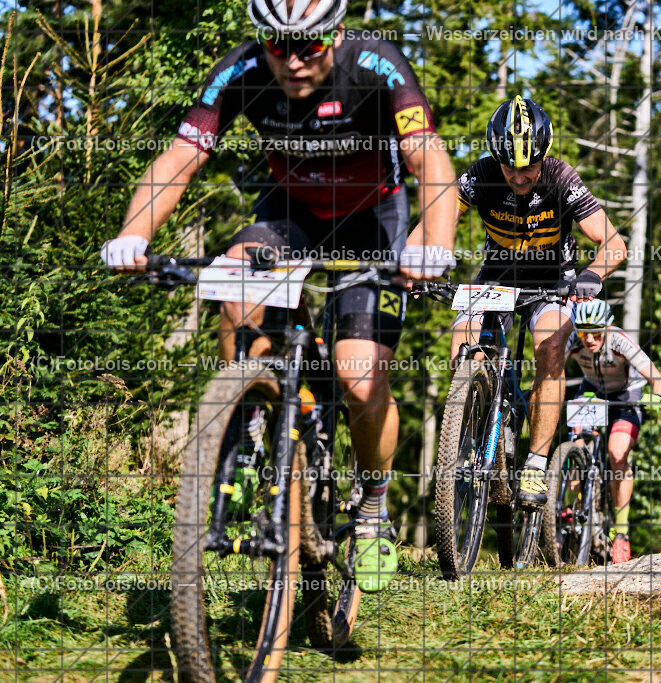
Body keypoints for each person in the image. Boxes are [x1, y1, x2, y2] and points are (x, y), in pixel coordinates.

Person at [100, 0, 459, 593]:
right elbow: (182, 157)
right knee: (235, 281)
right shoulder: (241, 68)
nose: (292, 61)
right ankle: (249, 418)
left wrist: (435, 245)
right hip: (291, 212)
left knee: (359, 378)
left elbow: (429, 157)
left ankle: (372, 507)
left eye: (308, 46)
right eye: (277, 45)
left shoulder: (375, 63)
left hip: (373, 219)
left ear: (334, 36)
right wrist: (134, 234)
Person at [451, 95, 627, 509]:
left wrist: (592, 275)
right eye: (509, 166)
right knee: (463, 341)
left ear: (543, 154)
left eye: (528, 166)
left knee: (549, 345)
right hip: (497, 277)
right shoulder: (480, 175)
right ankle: (471, 436)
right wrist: (412, 261)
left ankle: (534, 462)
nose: (518, 176)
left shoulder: (562, 178)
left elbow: (613, 243)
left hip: (553, 281)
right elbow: (435, 219)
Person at [566, 299, 661, 563]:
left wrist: (657, 398)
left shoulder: (620, 341)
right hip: (591, 392)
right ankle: (567, 511)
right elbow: (549, 371)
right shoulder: (572, 340)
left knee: (617, 454)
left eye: (596, 333)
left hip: (626, 397)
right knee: (576, 448)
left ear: (608, 328)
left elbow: (660, 381)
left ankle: (621, 532)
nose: (589, 339)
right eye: (583, 333)